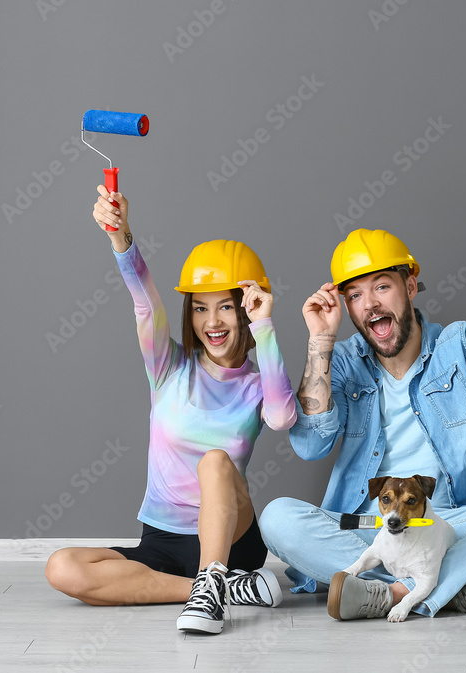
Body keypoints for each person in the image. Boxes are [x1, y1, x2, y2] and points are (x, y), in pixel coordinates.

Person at [260, 226, 466, 620]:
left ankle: (390, 594)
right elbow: (308, 445)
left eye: (381, 286)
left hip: (449, 522)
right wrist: (320, 341)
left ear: (410, 285)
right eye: (354, 295)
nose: (369, 304)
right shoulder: (342, 362)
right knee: (278, 519)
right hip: (370, 525)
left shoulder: (460, 348)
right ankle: (459, 588)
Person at [46, 186, 297, 635]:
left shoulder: (259, 384)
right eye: (201, 308)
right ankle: (218, 588)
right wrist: (120, 236)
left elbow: (281, 418)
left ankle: (216, 580)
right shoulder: (168, 365)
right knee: (63, 569)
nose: (212, 322)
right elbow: (145, 301)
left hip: (232, 538)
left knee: (216, 461)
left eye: (225, 307)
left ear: (244, 309)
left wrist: (266, 328)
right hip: (161, 539)